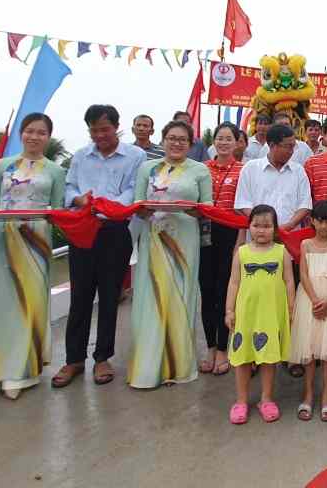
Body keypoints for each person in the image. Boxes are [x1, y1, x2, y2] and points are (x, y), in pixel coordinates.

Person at [0, 113, 66, 404]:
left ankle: (20, 372)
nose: (35, 137)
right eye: (30, 131)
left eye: (41, 132)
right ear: (22, 133)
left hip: (35, 240)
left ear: (48, 137)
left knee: (28, 305)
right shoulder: (0, 166)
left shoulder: (56, 171)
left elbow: (56, 209)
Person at [53, 105, 146, 389]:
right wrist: (80, 200)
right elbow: (69, 187)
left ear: (117, 127)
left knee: (109, 296)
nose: (100, 135)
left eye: (105, 129)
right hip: (83, 229)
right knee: (80, 295)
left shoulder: (135, 156)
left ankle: (103, 357)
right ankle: (74, 359)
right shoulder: (81, 156)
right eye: (94, 130)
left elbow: (134, 190)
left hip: (115, 230)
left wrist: (106, 205)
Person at [126, 120, 213, 388]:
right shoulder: (147, 168)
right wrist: (144, 209)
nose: (176, 143)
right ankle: (148, 367)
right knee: (151, 296)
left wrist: (191, 209)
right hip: (153, 238)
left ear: (190, 143)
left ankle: (177, 364)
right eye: (172, 138)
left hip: (185, 240)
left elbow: (207, 207)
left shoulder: (200, 170)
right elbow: (137, 204)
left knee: (180, 296)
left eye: (182, 139)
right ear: (163, 140)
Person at [233, 122, 312, 376]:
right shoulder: (251, 169)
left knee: (290, 296)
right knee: (257, 300)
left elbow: (305, 205)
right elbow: (242, 204)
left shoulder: (298, 171)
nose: (291, 151)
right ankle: (254, 356)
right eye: (287, 146)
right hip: (256, 246)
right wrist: (265, 227)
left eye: (293, 146)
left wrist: (284, 227)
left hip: (288, 244)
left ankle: (291, 355)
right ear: (272, 145)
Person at [224, 205, 294, 424]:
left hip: (271, 314)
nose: (261, 230)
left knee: (268, 358)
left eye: (267, 226)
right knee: (243, 359)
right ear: (249, 227)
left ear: (275, 228)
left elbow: (289, 281)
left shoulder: (281, 252)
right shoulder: (242, 252)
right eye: (256, 225)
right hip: (246, 314)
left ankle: (266, 399)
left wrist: (291, 308)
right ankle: (241, 401)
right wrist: (229, 310)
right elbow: (234, 282)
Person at [288, 201, 327, 422]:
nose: (323, 226)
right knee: (310, 350)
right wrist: (314, 300)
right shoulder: (306, 244)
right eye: (320, 221)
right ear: (312, 221)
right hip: (309, 300)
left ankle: (326, 397)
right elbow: (303, 274)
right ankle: (308, 394)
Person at [202, 122, 243, 376]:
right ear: (214, 141)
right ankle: (209, 346)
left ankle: (222, 348)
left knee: (225, 292)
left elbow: (243, 210)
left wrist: (239, 242)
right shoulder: (202, 169)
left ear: (237, 143)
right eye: (220, 138)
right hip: (204, 233)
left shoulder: (243, 170)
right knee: (206, 291)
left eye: (229, 138)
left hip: (231, 233)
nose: (224, 142)